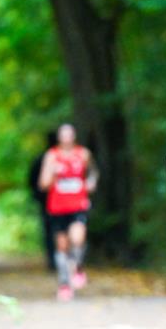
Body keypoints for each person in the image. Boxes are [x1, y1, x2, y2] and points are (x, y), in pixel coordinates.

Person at [37, 123, 98, 301]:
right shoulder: (52, 156)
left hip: (78, 204)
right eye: (63, 134)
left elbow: (93, 172)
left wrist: (91, 182)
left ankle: (77, 267)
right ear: (59, 137)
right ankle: (64, 283)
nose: (66, 138)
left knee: (78, 238)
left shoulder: (83, 154)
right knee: (62, 246)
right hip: (57, 206)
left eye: (69, 134)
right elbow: (43, 184)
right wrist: (53, 173)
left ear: (74, 136)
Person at [29, 130, 60, 271]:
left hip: (49, 201)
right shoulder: (45, 159)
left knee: (50, 231)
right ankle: (55, 260)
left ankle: (54, 260)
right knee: (54, 230)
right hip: (47, 201)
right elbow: (34, 181)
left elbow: (31, 181)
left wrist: (37, 196)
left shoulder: (41, 158)